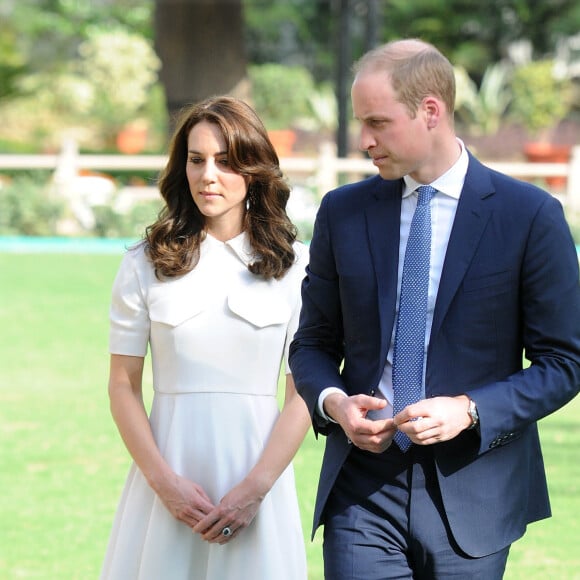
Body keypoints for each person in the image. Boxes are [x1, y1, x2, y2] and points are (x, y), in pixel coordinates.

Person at [289, 38, 580, 579]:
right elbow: (312, 342)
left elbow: (565, 362)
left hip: (476, 490)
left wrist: (468, 409)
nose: (365, 140)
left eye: (378, 122)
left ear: (430, 111)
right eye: (360, 122)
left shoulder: (530, 216)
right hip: (361, 489)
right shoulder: (342, 212)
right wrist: (334, 403)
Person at [101, 95, 310, 580]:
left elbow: (303, 391)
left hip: (258, 482)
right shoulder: (142, 264)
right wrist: (165, 484)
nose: (207, 175)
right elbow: (122, 385)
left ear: (254, 170)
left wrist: (255, 489)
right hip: (166, 479)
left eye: (225, 161)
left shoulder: (297, 267)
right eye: (196, 160)